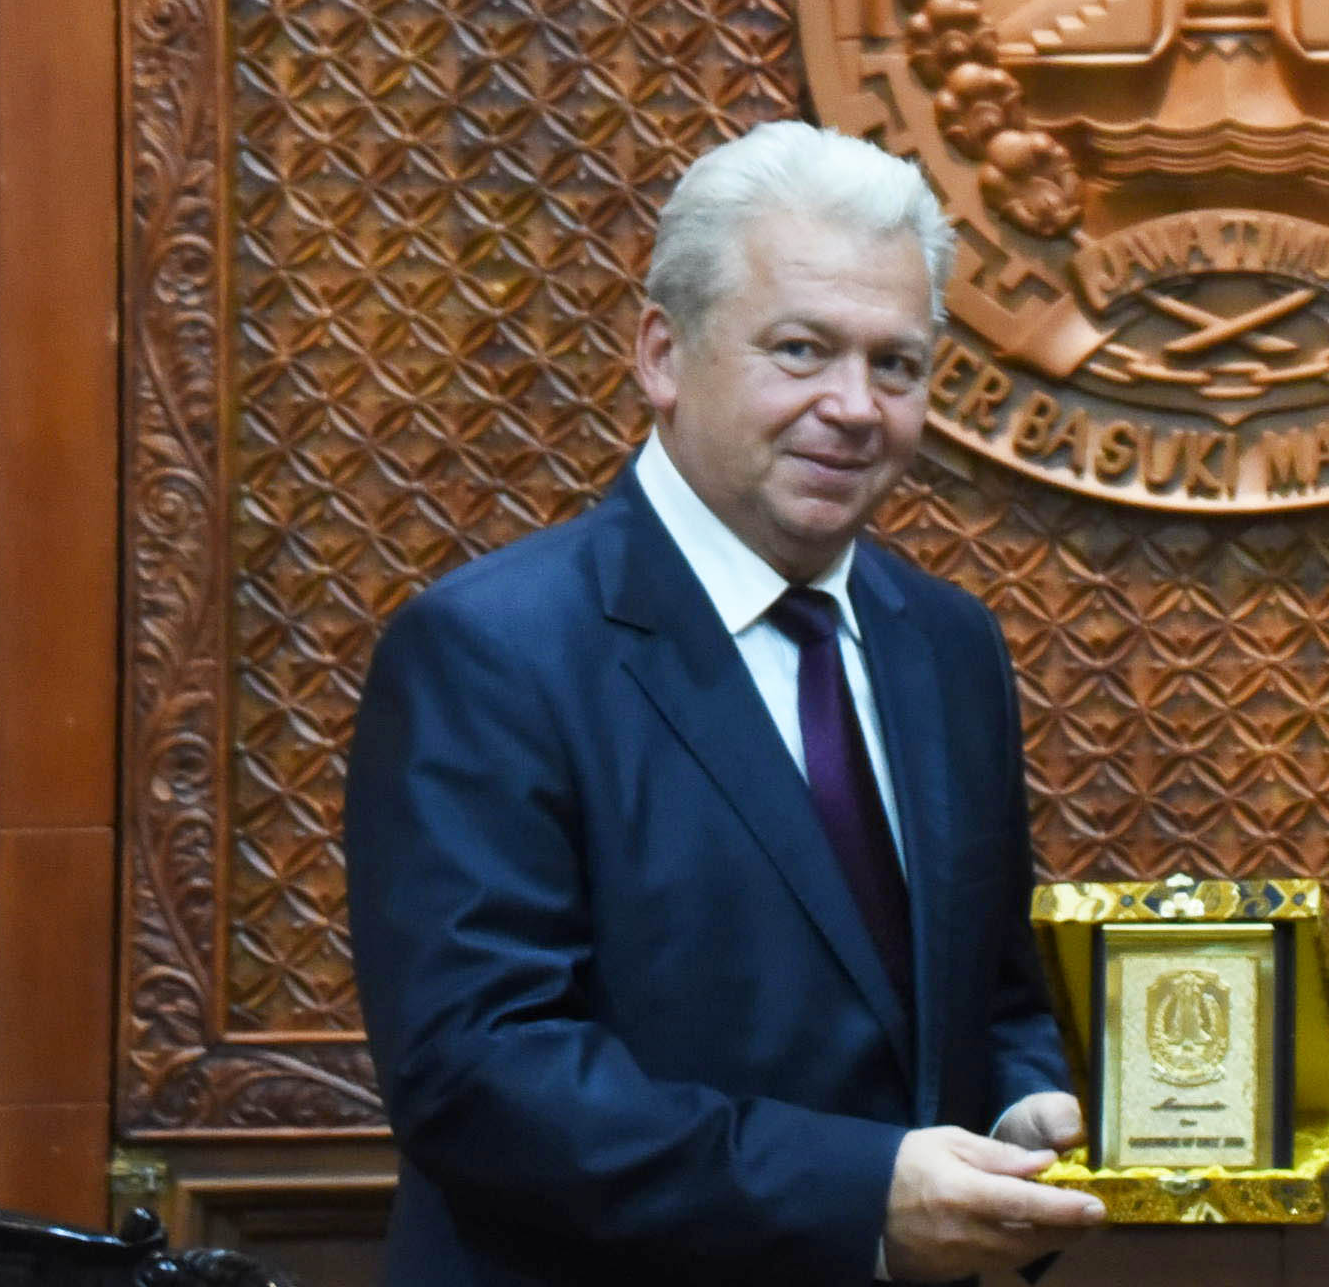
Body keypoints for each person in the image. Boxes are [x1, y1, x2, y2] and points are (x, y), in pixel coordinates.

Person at [345, 122, 1106, 1286]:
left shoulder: (948, 646)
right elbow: (479, 1075)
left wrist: (1027, 1111)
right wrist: (862, 1195)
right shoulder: (490, 650)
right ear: (662, 353)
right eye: (801, 350)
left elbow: (993, 993)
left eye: (895, 364)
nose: (854, 407)